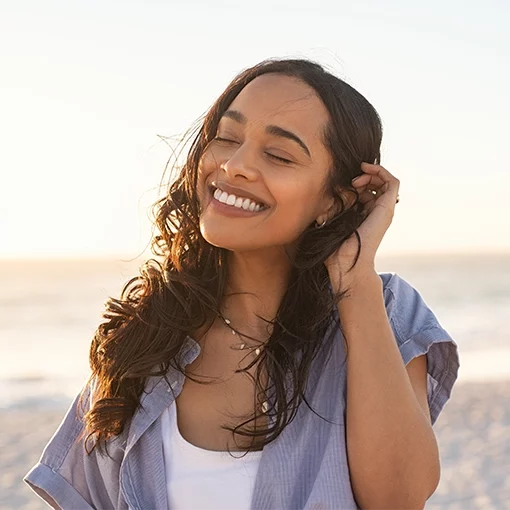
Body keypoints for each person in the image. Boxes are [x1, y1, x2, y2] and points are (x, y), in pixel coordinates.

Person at [24, 58, 459, 510]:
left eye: (278, 155)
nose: (234, 166)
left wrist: (355, 280)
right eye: (228, 139)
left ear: (334, 200)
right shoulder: (142, 338)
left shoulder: (384, 311)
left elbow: (399, 498)